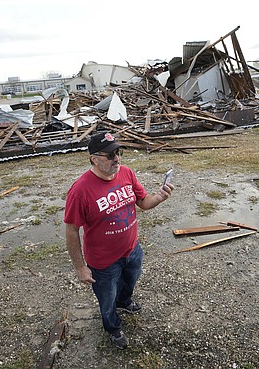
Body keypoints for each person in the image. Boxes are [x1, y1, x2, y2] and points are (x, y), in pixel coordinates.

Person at [64, 132, 174, 349]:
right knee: (107, 300)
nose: (117, 159)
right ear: (94, 158)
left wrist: (159, 197)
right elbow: (71, 230)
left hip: (132, 250)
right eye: (110, 155)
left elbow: (143, 201)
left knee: (130, 282)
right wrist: (80, 267)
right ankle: (113, 328)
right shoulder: (80, 191)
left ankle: (124, 303)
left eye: (119, 152)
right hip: (103, 263)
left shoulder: (126, 173)